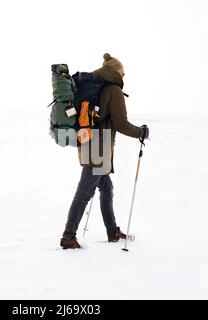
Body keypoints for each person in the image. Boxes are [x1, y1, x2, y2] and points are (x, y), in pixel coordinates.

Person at [60, 53, 149, 249]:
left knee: (106, 189)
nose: (124, 75)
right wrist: (140, 132)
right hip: (98, 148)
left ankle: (112, 232)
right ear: (116, 72)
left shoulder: (96, 86)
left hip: (88, 142)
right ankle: (68, 237)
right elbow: (121, 124)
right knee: (84, 193)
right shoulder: (113, 90)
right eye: (122, 72)